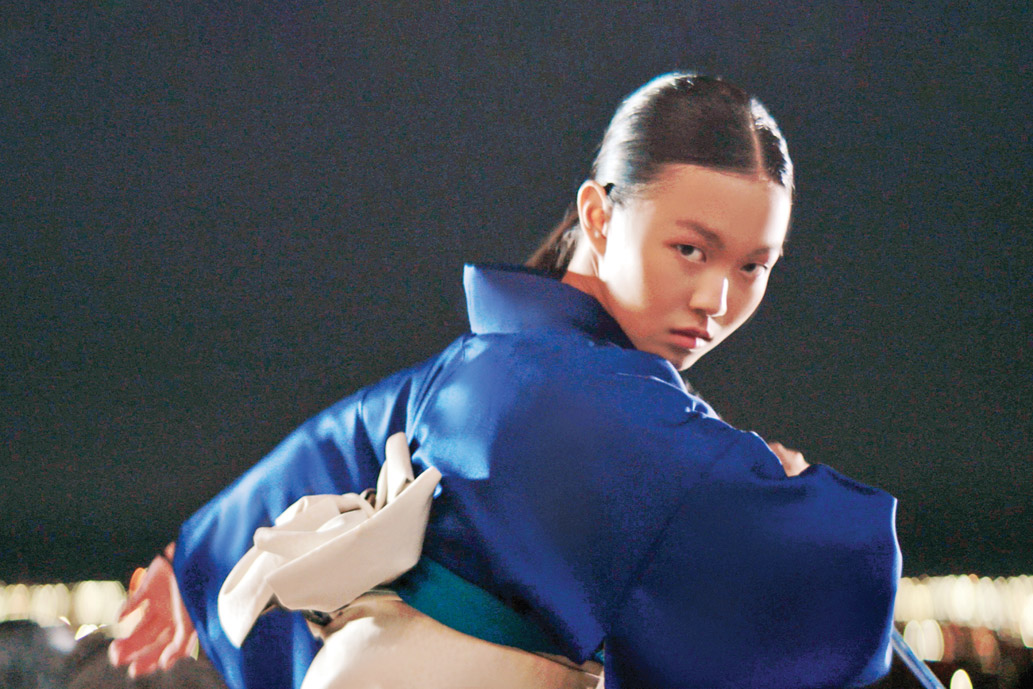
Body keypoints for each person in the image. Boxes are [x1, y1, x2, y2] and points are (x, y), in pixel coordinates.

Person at [109, 73, 901, 688]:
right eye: (690, 249)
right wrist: (776, 487)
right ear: (598, 216)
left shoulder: (488, 365)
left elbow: (335, 442)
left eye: (753, 266)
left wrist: (195, 560)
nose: (716, 299)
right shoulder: (591, 403)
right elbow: (818, 574)